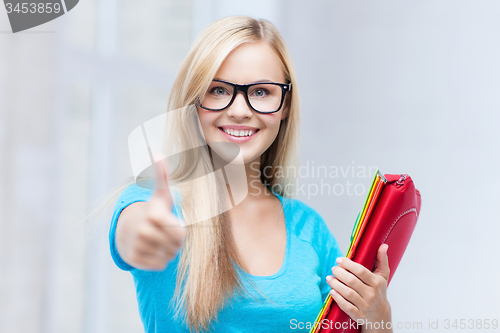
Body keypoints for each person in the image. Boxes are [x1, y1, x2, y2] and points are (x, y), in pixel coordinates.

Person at [109, 15, 393, 333]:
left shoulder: (310, 229)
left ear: (285, 104)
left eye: (260, 92)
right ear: (193, 102)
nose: (240, 111)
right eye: (217, 90)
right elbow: (133, 231)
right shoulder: (153, 203)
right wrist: (144, 234)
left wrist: (379, 321)